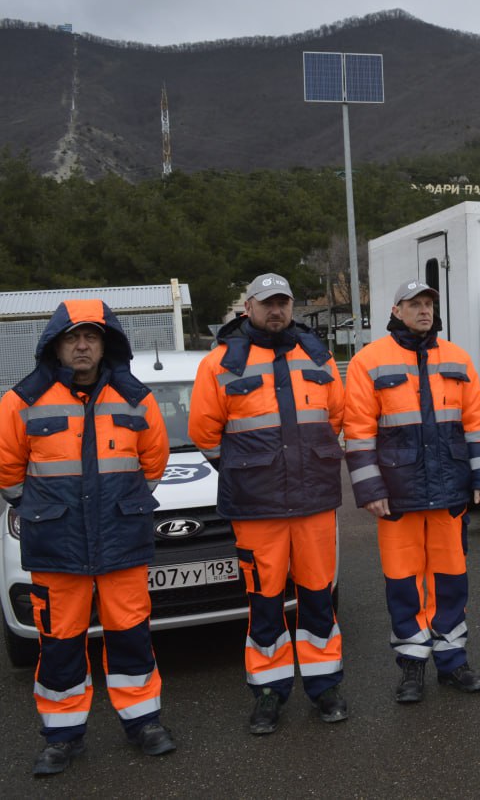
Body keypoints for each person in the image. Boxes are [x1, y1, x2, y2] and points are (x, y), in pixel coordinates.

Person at [0, 300, 176, 776]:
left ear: (106, 344)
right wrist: (43, 513)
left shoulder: (136, 399)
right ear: (56, 345)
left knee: (131, 636)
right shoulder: (22, 400)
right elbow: (8, 474)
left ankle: (144, 723)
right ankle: (61, 736)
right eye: (72, 337)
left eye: (92, 337)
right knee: (59, 641)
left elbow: (153, 465)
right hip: (57, 547)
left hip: (121, 539)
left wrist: (122, 502)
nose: (82, 346)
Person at [188, 273, 347, 733]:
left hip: (313, 502)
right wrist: (249, 470)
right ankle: (267, 693)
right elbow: (204, 432)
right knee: (264, 603)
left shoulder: (318, 354)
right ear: (248, 308)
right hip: (256, 510)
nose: (276, 310)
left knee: (318, 601)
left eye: (283, 303)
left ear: (292, 307)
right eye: (266, 303)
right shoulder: (220, 363)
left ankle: (325, 688)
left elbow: (333, 415)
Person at [344, 280, 480, 699]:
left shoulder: (458, 359)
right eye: (415, 304)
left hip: (450, 494)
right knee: (403, 583)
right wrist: (371, 488)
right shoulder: (368, 361)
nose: (424, 310)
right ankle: (412, 666)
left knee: (451, 582)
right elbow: (357, 433)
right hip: (397, 496)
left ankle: (453, 661)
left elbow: (476, 424)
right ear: (396, 310)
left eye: (428, 303)